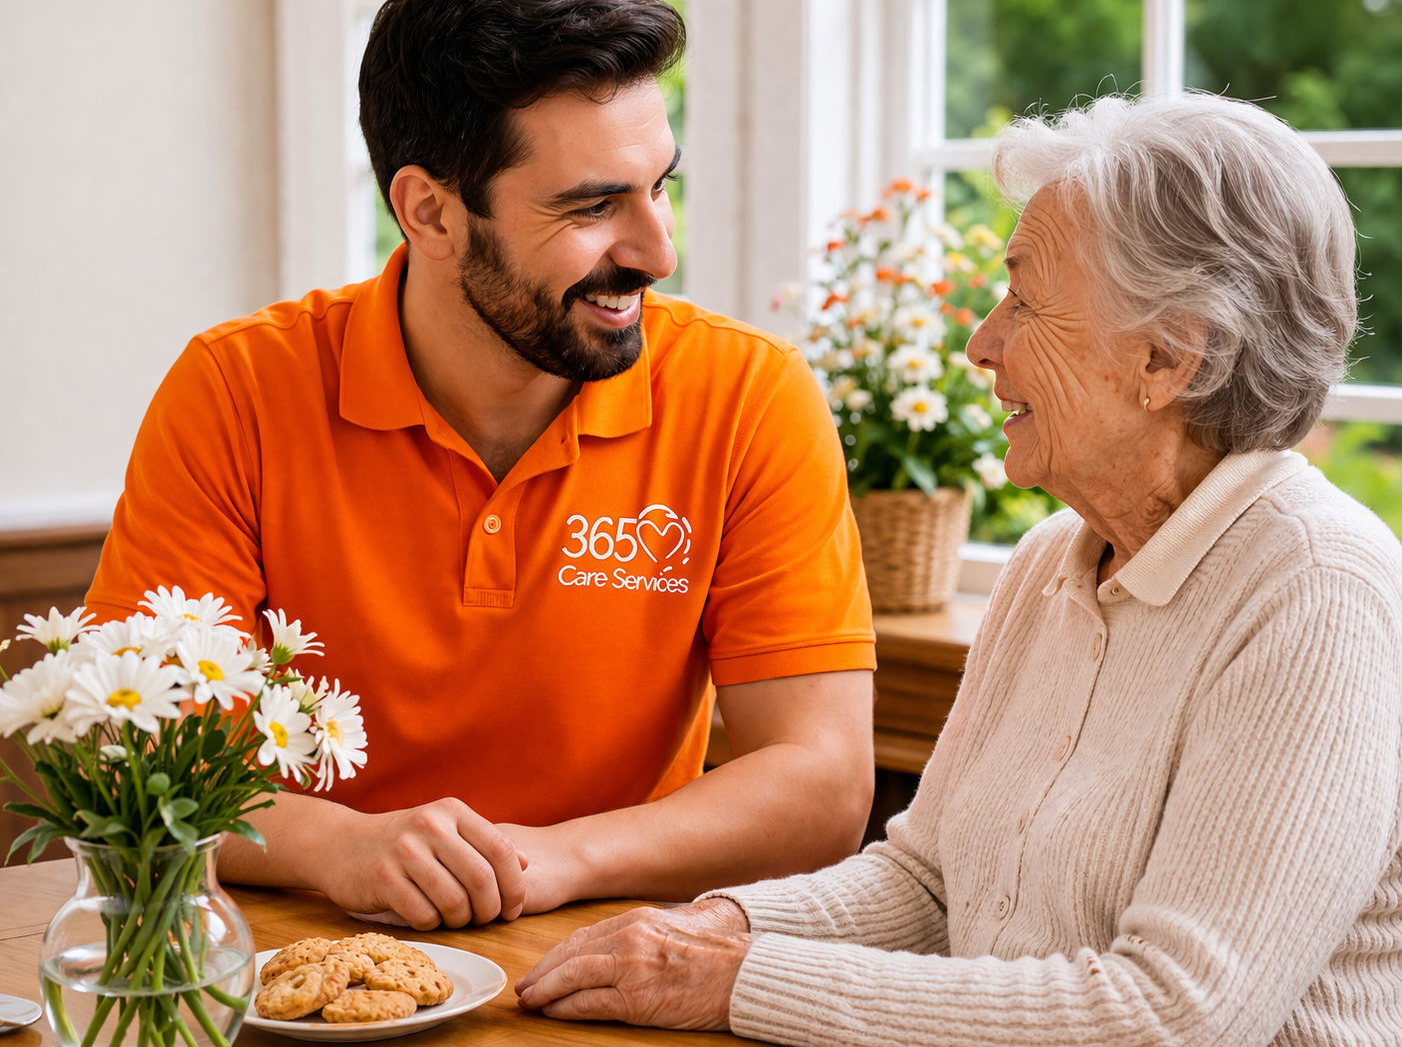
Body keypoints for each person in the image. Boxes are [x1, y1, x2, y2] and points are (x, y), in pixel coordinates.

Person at [514, 92, 1402, 1045]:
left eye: (1025, 298)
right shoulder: (1049, 565)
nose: (982, 341)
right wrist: (719, 924)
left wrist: (740, 980)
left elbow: (1172, 1016)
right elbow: (926, 883)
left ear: (1166, 358)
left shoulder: (1317, 589)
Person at [84, 0, 877, 930]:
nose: (656, 248)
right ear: (431, 211)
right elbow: (130, 757)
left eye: (659, 186)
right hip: (298, 952)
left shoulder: (750, 394)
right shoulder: (238, 388)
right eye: (592, 205)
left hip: (616, 954)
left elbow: (824, 780)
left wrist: (548, 858)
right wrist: (337, 845)